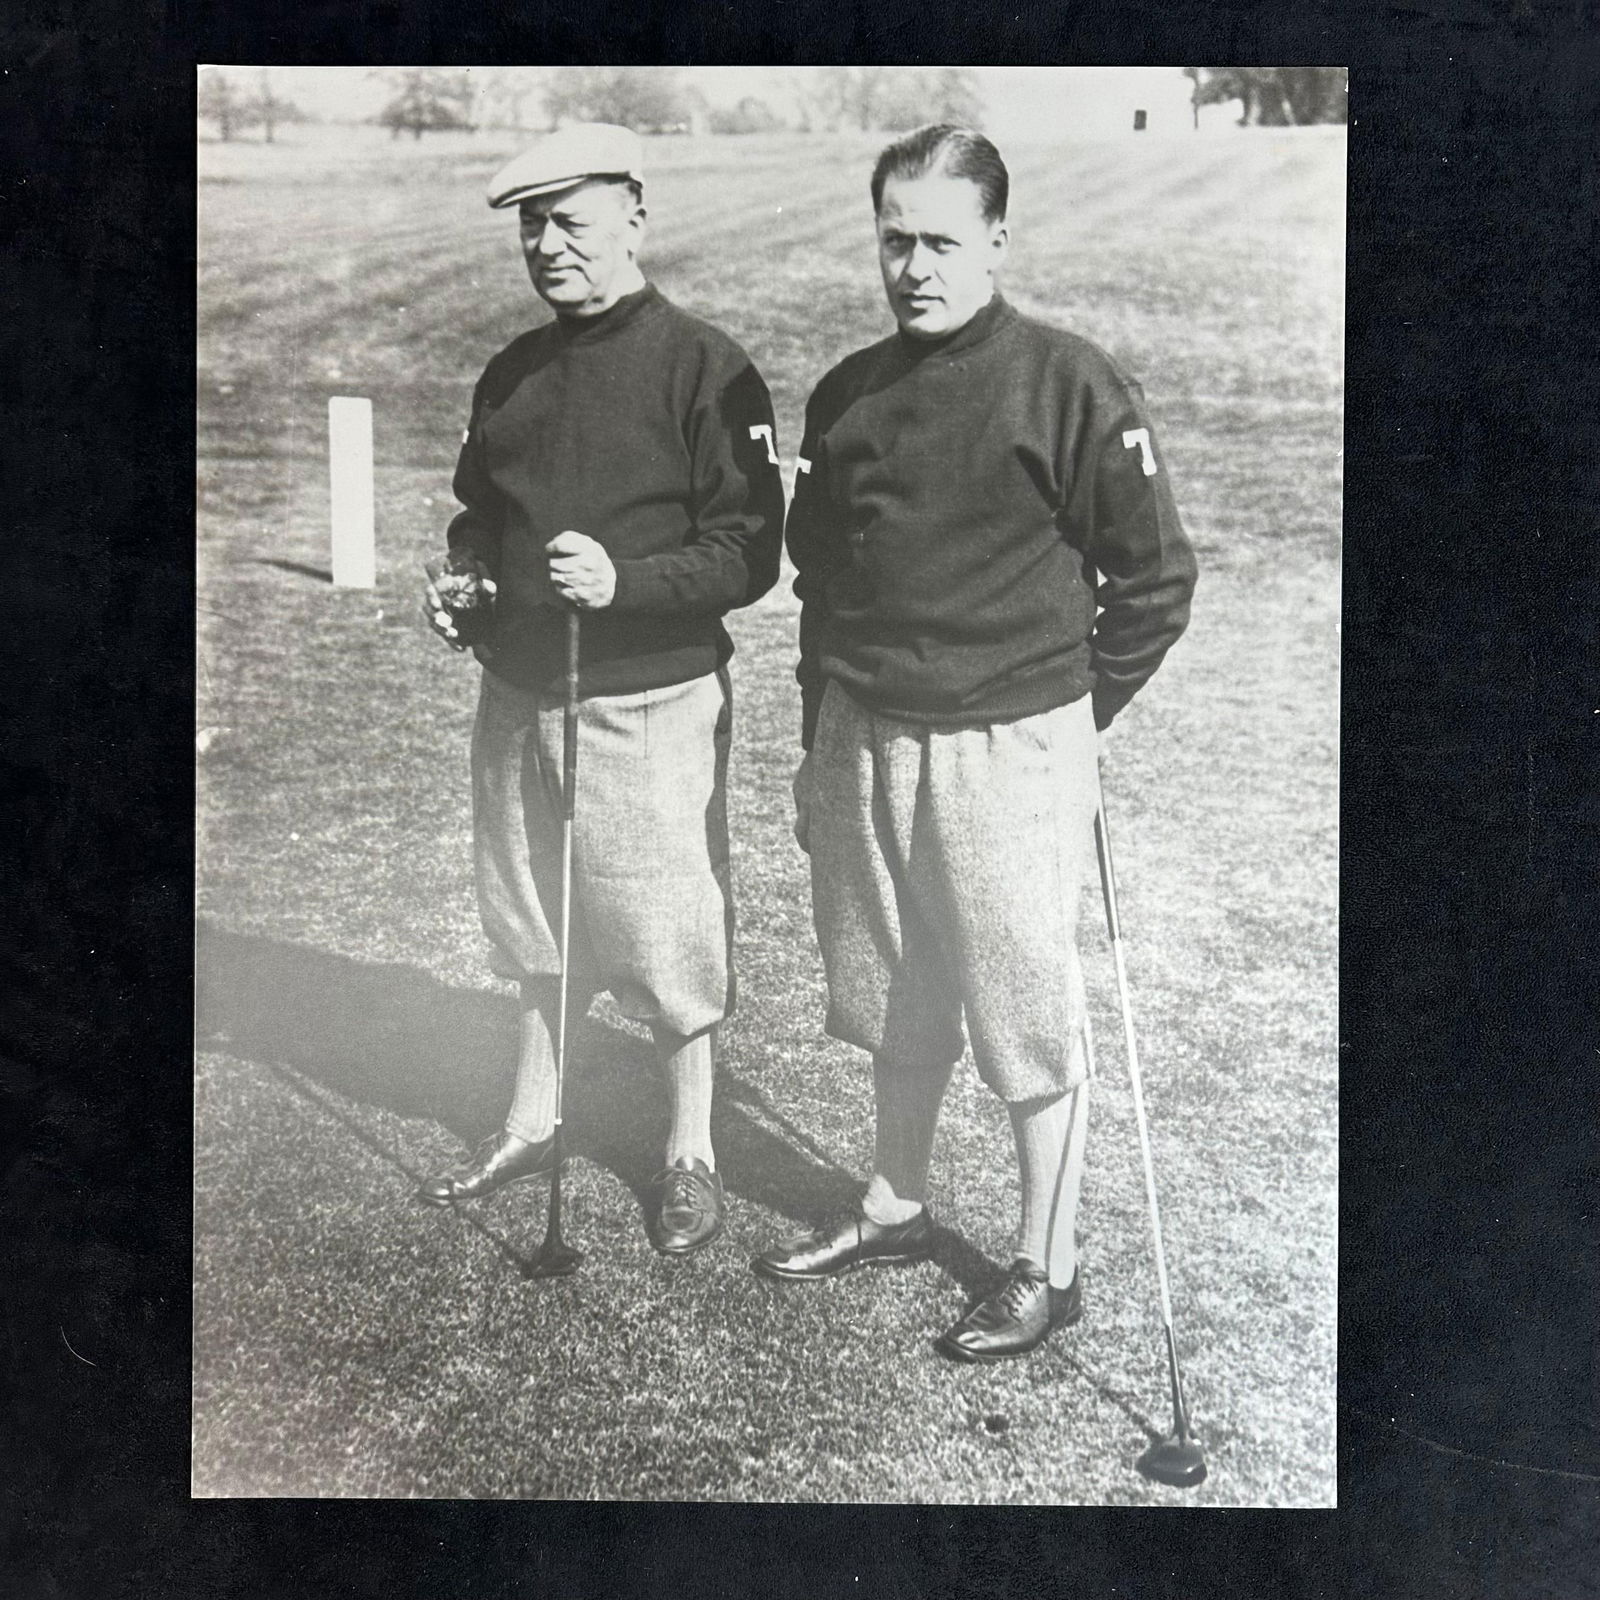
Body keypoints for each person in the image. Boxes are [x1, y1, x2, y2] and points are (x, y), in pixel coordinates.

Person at [753, 126, 1198, 1360]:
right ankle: (894, 1204)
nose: (915, 267)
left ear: (997, 240)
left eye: (942, 242)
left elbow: (1156, 582)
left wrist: (1066, 717)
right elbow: (820, 585)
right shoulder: (846, 393)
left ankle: (1048, 1265)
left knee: (1022, 1011)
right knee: (893, 988)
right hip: (865, 732)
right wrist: (815, 741)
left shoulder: (1069, 382)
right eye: (895, 240)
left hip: (1011, 742)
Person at [418, 123, 784, 1256]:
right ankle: (533, 1119)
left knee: (665, 931)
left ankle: (690, 1151)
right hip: (519, 691)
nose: (548, 246)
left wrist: (627, 582)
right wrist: (470, 583)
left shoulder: (705, 366)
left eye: (571, 222)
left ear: (635, 217)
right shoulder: (511, 371)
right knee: (532, 917)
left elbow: (749, 551)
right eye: (532, 226)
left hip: (648, 696)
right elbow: (481, 515)